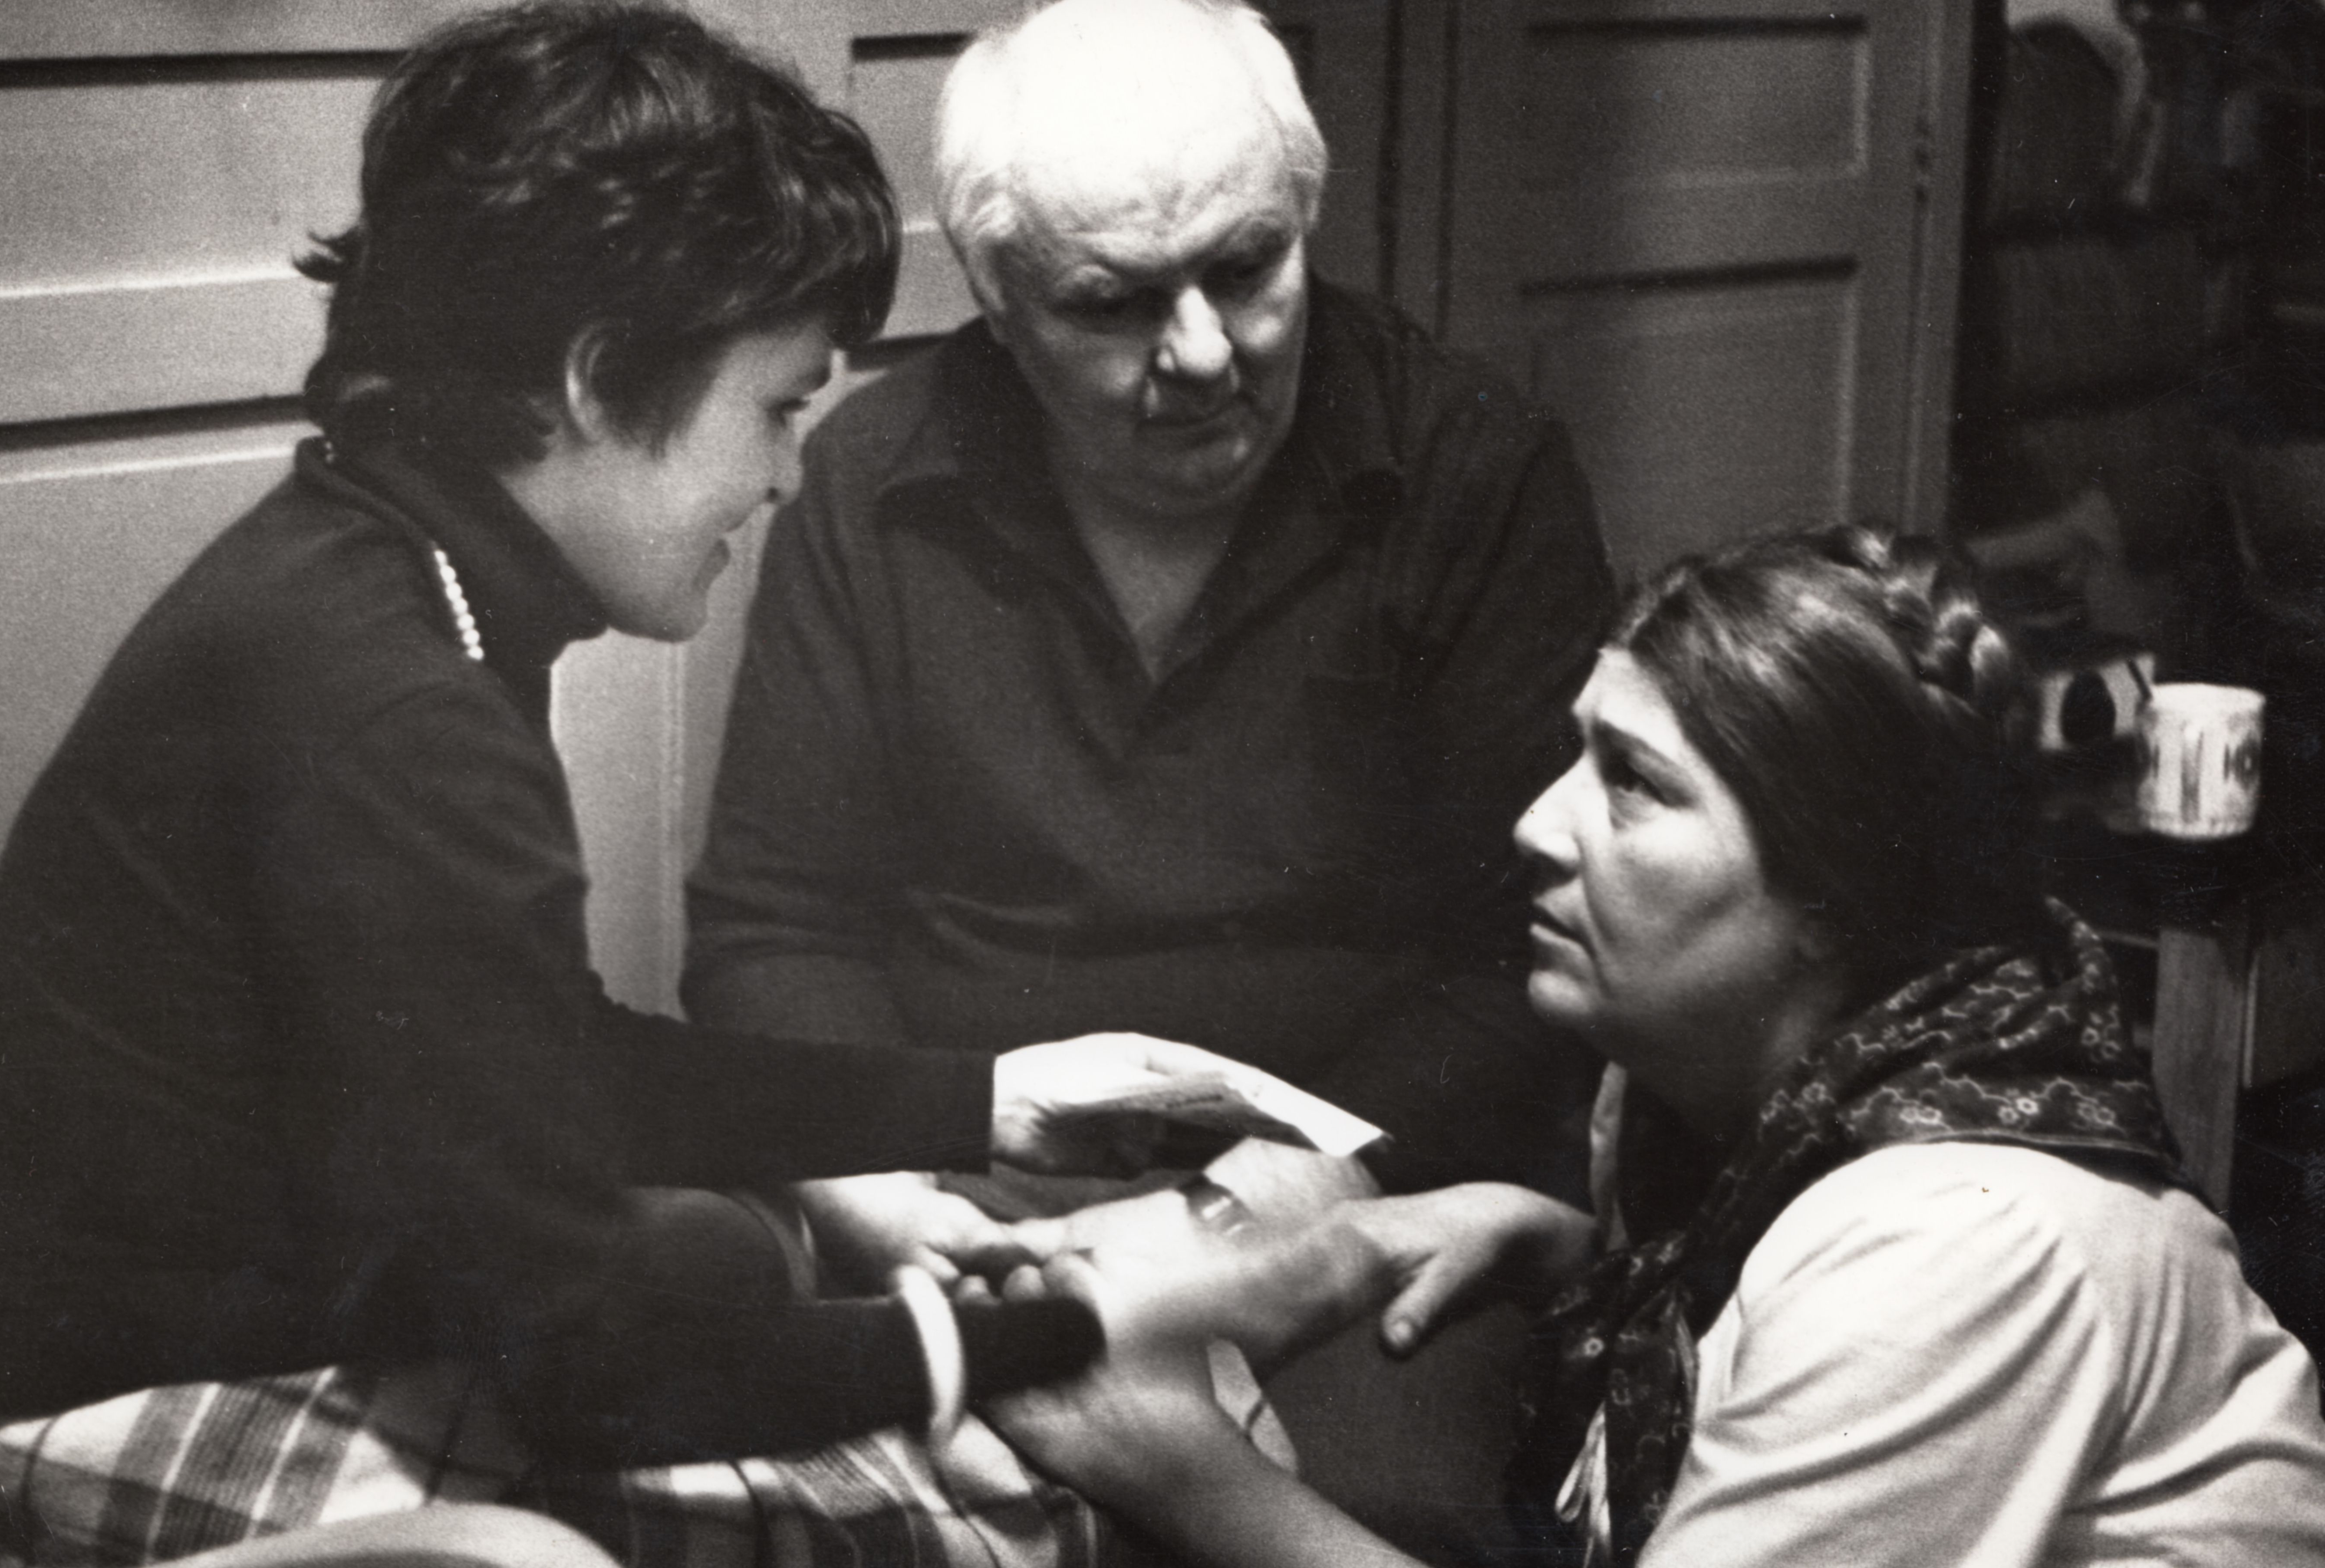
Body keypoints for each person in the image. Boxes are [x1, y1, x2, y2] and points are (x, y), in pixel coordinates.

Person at [0, 0, 1289, 1568]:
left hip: (245, 1304)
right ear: (599, 381)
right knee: (1039, 1514)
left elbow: (534, 1060)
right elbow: (593, 1374)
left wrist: (994, 1103)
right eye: (776, 406)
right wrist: (1065, 1330)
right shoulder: (400, 710)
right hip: (131, 1406)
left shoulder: (384, 566)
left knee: (747, 1260)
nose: (784, 476)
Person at [984, 526, 2325, 1567]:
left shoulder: (1969, 1240)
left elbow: (1865, 1299)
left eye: (1633, 783)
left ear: (1832, 890)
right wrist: (1547, 1240)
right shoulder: (1723, 1084)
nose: (1539, 826)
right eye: (1581, 757)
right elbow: (1768, 1321)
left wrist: (1179, 1467)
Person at [682, 0, 1615, 1282]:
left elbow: (1535, 948)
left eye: (1247, 269)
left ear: (1306, 219)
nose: (1203, 354)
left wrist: (1282, 1198)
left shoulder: (1473, 467)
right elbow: (776, 930)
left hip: (1363, 1188)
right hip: (954, 1182)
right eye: (1111, 303)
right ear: (999, 301)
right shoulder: (875, 476)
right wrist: (888, 1184)